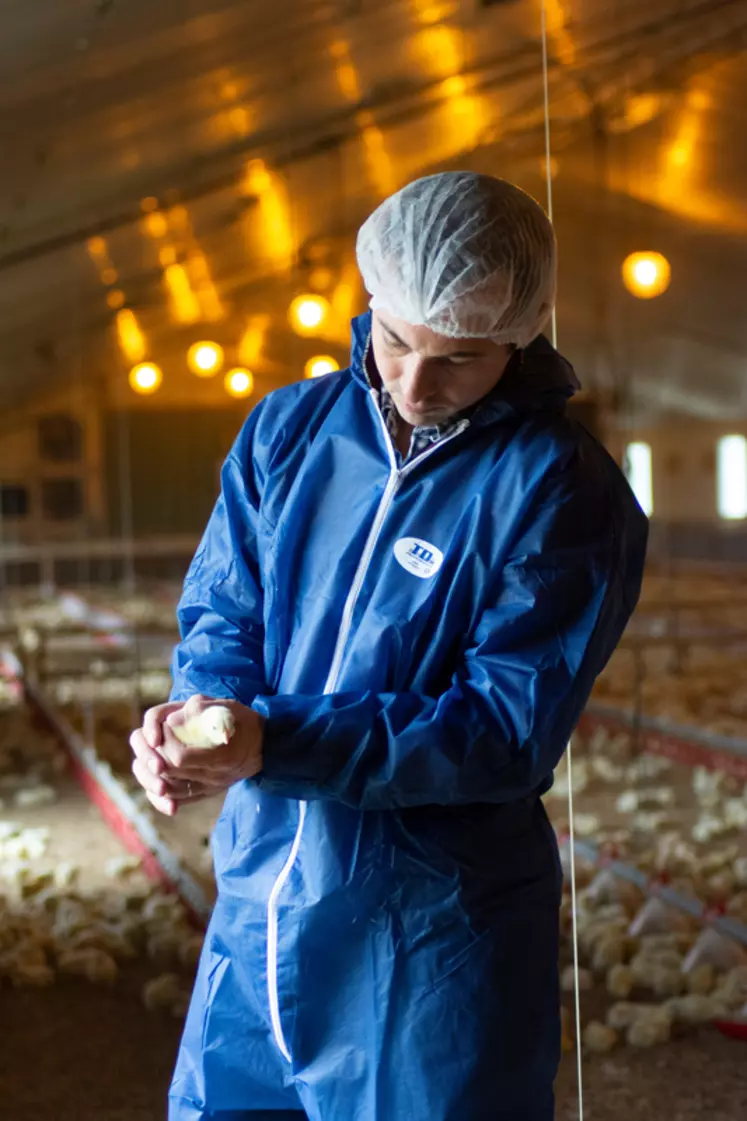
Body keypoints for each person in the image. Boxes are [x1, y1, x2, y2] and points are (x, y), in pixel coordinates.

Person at [130, 171, 648, 1121]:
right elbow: (222, 616)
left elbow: (501, 727)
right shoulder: (288, 431)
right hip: (264, 898)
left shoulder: (559, 491)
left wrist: (275, 743)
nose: (414, 383)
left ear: (520, 335)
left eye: (456, 358)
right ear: (368, 303)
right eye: (397, 338)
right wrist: (199, 719)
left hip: (432, 929)